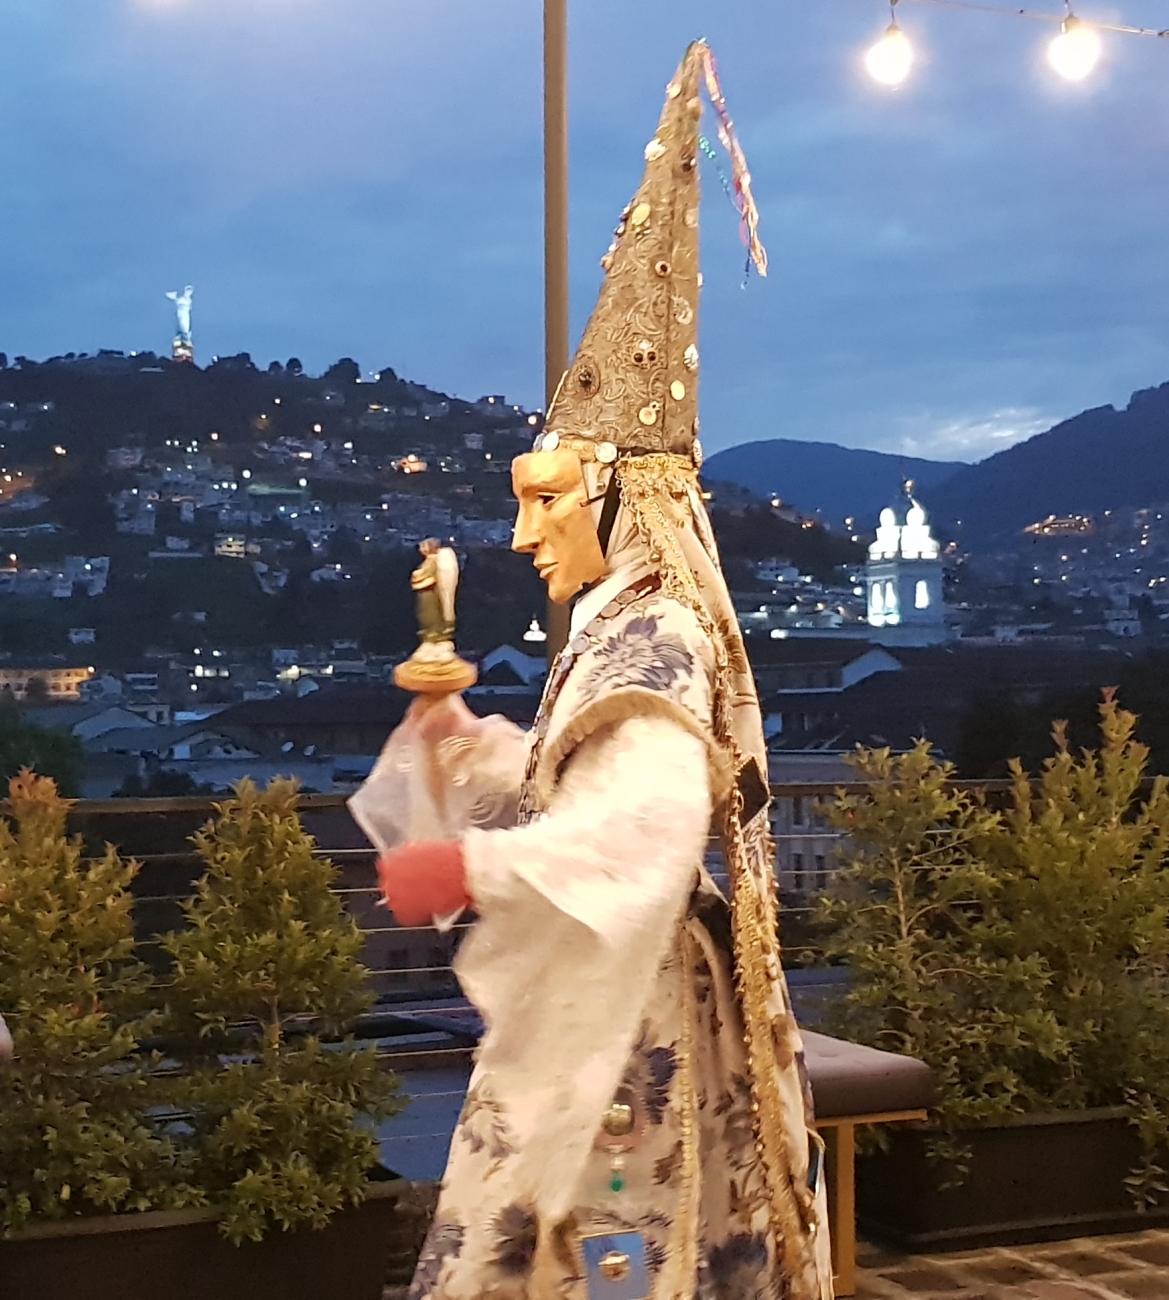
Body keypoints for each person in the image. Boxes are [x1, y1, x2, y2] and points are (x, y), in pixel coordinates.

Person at [351, 42, 827, 1300]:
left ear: (620, 497)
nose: (523, 531)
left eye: (547, 497)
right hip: (604, 992)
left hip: (639, 1014)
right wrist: (473, 749)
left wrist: (461, 861)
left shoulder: (653, 632)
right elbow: (587, 796)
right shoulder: (619, 628)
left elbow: (643, 830)